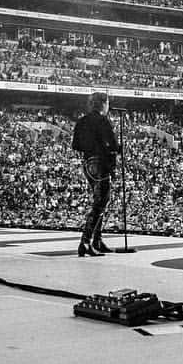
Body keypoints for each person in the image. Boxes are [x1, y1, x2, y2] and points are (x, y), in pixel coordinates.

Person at [72, 92, 118, 257]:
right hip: (101, 163)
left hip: (88, 164)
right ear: (103, 104)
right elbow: (112, 144)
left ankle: (96, 240)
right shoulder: (103, 121)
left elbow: (75, 145)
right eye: (108, 103)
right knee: (102, 201)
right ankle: (86, 242)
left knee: (100, 200)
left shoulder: (82, 121)